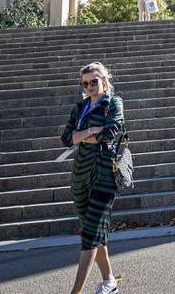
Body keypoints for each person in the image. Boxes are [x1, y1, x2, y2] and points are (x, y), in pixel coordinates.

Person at [60, 62, 125, 294]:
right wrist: (89, 131)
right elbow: (66, 138)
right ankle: (109, 281)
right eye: (85, 83)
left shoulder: (114, 103)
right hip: (80, 177)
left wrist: (83, 136)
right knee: (95, 233)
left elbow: (109, 133)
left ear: (104, 80)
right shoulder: (80, 108)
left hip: (104, 175)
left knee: (89, 236)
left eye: (94, 81)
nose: (89, 86)